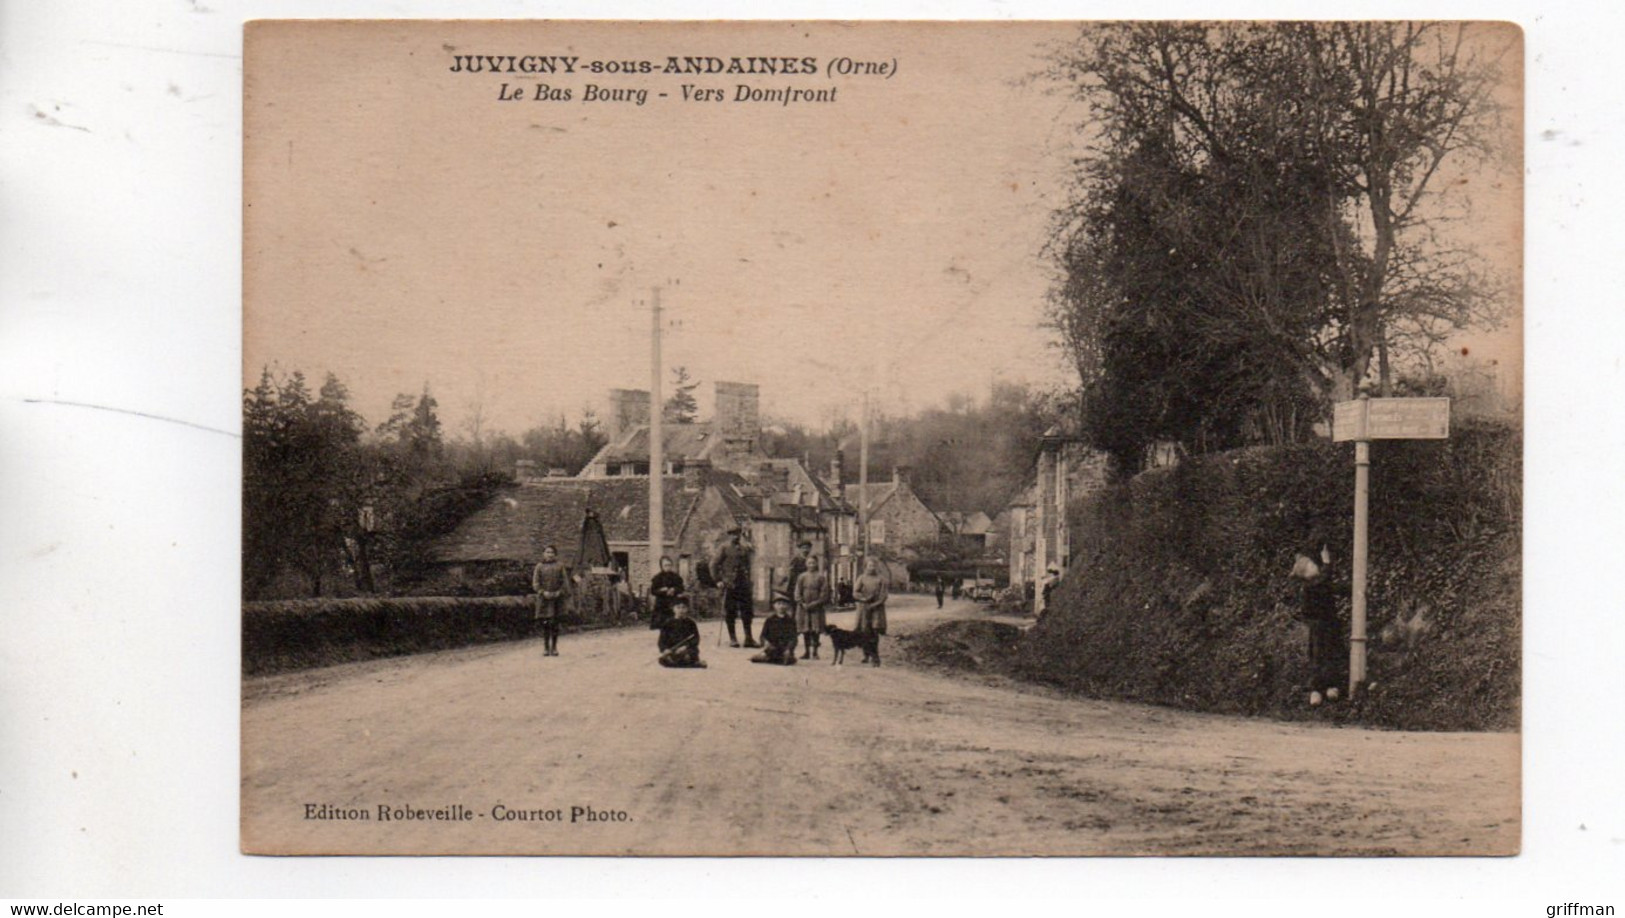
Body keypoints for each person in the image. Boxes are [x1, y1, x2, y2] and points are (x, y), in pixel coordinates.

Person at [1292, 541, 1346, 706]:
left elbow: (1335, 588)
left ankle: (1331, 686)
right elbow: (1324, 580)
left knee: (1333, 654)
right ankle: (1315, 690)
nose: (1314, 566)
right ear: (1304, 574)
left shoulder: (1320, 583)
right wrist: (1327, 562)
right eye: (1310, 566)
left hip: (1331, 624)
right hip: (1317, 627)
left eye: (1312, 564)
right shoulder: (1309, 586)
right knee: (1317, 657)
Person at [713, 526, 757, 648]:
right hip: (730, 584)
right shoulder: (724, 548)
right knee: (730, 611)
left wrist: (749, 581)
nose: (735, 536)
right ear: (729, 535)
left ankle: (748, 638)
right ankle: (733, 638)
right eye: (732, 534)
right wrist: (718, 580)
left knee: (747, 611)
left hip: (743, 584)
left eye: (737, 534)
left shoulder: (744, 548)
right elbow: (714, 565)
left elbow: (748, 566)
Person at [531, 545, 571, 658]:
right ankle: (545, 647)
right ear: (544, 554)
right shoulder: (539, 566)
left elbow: (565, 581)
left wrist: (560, 591)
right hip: (544, 599)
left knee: (554, 623)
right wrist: (542, 592)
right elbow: (535, 583)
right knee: (545, 623)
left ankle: (554, 647)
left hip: (557, 598)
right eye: (547, 552)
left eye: (552, 552)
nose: (550, 554)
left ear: (555, 554)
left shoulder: (560, 566)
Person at [795, 554, 831, 660]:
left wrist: (815, 603)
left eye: (813, 563)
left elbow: (824, 593)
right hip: (804, 607)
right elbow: (797, 591)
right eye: (809, 563)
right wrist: (802, 603)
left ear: (816, 564)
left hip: (816, 607)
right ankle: (806, 652)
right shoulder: (802, 576)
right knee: (806, 629)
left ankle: (815, 652)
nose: (811, 565)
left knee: (815, 629)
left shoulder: (821, 577)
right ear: (806, 564)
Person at [852, 557, 889, 663]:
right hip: (863, 608)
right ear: (865, 567)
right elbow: (855, 592)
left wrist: (874, 604)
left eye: (874, 566)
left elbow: (884, 596)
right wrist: (863, 598)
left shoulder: (882, 579)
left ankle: (875, 656)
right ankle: (866, 655)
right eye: (869, 565)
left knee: (874, 632)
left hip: (876, 609)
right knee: (864, 632)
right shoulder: (861, 578)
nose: (872, 568)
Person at [657, 595, 707, 668]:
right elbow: (662, 640)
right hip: (673, 649)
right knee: (663, 659)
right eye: (678, 607)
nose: (681, 610)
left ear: (687, 609)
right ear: (673, 609)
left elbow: (695, 639)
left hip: (686, 649)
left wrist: (685, 647)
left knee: (689, 654)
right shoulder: (667, 623)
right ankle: (689, 664)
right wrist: (665, 649)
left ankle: (684, 662)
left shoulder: (691, 623)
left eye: (683, 607)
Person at [751, 592, 798, 665]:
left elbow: (793, 638)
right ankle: (772, 658)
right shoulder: (770, 620)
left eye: (783, 604)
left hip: (784, 648)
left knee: (788, 659)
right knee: (756, 658)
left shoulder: (790, 621)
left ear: (788, 606)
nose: (781, 606)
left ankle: (779, 658)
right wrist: (766, 643)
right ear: (774, 606)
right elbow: (763, 635)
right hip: (772, 647)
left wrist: (789, 649)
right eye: (779, 604)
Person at [648, 556, 685, 631]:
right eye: (665, 565)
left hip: (673, 602)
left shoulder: (676, 577)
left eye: (669, 565)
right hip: (662, 604)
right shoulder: (657, 578)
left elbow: (681, 588)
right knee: (662, 624)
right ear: (661, 566)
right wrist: (661, 590)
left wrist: (674, 589)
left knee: (675, 624)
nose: (668, 567)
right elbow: (653, 591)